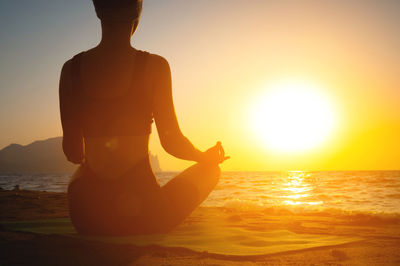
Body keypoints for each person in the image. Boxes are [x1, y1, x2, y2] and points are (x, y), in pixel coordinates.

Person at [59, 0, 229, 236]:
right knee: (211, 171)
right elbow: (172, 142)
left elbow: (73, 153)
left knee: (81, 172)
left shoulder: (70, 69)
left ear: (98, 11)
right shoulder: (155, 66)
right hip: (144, 216)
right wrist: (206, 158)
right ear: (137, 13)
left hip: (87, 216)